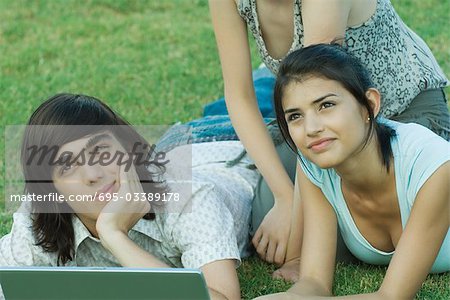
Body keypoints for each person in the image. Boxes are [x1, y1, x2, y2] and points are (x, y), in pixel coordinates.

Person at [208, 0, 450, 273]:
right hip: (320, 121)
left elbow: (315, 85)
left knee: (331, 233)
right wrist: (284, 197)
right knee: (266, 211)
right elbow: (239, 96)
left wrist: (297, 255)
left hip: (400, 114)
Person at [0, 93, 261, 300]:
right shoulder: (39, 216)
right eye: (67, 166)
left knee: (276, 81)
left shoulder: (189, 198)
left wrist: (114, 235)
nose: (92, 173)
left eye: (100, 150)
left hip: (235, 143)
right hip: (177, 146)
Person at [256, 44, 449, 299]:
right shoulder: (315, 165)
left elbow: (392, 297)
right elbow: (314, 282)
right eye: (295, 116)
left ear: (369, 104)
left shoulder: (433, 166)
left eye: (326, 105)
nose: (311, 128)